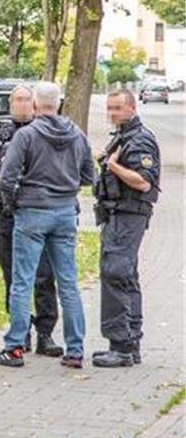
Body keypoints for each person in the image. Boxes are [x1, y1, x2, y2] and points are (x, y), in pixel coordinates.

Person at [0, 82, 92, 368]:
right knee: (68, 282)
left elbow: (6, 179)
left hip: (32, 211)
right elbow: (88, 176)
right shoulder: (77, 135)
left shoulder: (26, 136)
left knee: (22, 281)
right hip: (64, 212)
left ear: (35, 105)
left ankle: (14, 347)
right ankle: (75, 349)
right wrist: (66, 186)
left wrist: (16, 203)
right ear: (58, 104)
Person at [0, 85, 61, 357]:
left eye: (27, 99)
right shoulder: (1, 137)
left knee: (43, 276)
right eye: (18, 100)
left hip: (38, 214)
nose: (22, 105)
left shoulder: (45, 133)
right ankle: (19, 331)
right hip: (8, 217)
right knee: (12, 276)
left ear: (35, 104)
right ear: (11, 104)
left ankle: (45, 333)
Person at [92, 89, 162, 368]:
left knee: (115, 273)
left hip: (127, 215)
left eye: (118, 108)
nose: (112, 113)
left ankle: (121, 345)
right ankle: (129, 343)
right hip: (117, 215)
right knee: (126, 275)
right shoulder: (123, 137)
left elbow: (144, 182)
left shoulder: (140, 140)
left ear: (132, 108)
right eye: (110, 108)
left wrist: (113, 166)